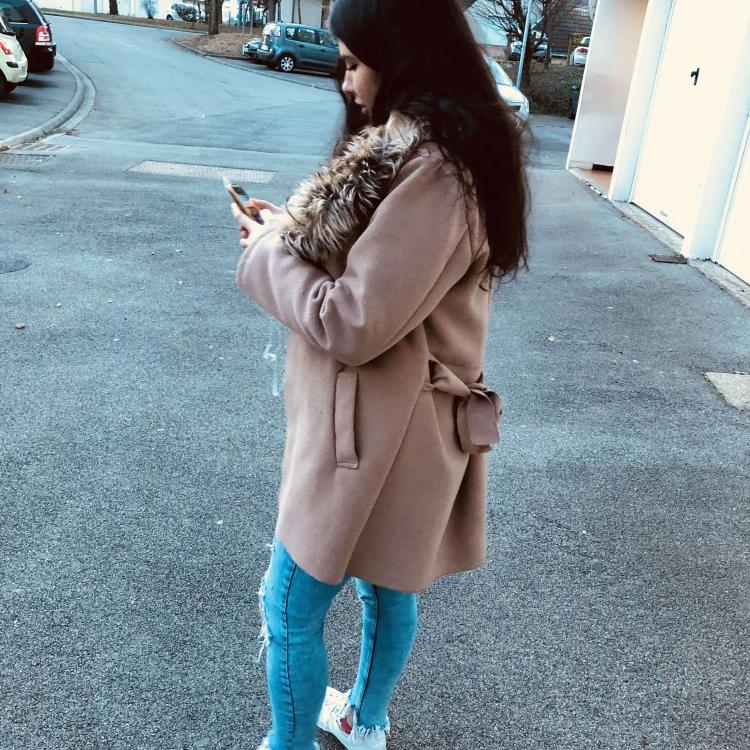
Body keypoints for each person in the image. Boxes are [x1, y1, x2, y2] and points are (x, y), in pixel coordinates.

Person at [231, 1, 528, 748]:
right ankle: (363, 721)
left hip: (375, 433)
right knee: (386, 587)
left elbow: (352, 320)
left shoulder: (434, 170)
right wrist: (285, 233)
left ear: (404, 61)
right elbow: (385, 275)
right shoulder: (440, 152)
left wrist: (265, 255)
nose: (346, 79)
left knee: (290, 605)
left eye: (356, 62)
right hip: (406, 428)